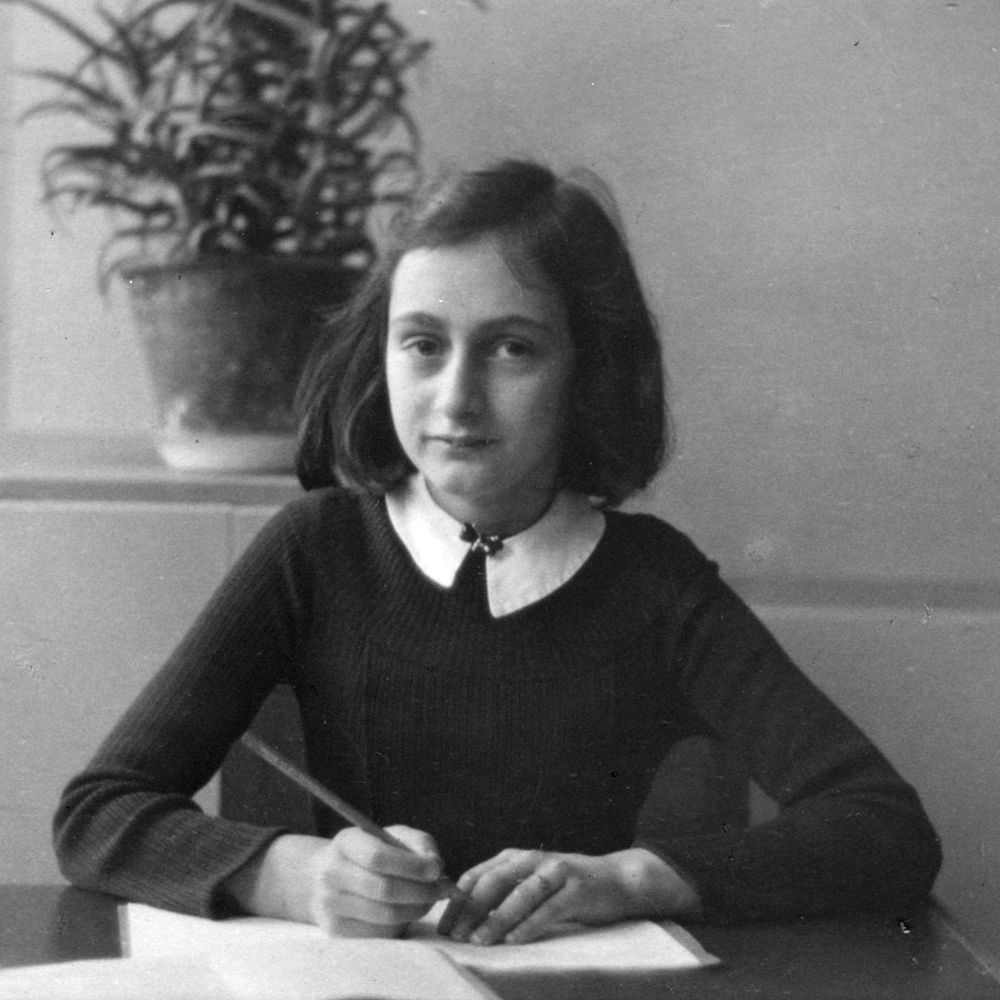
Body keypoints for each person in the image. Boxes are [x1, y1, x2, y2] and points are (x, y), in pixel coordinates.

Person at [54, 159, 941, 946]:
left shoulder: (653, 582)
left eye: (512, 348)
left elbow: (885, 827)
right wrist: (291, 873)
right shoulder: (315, 549)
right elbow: (98, 813)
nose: (457, 397)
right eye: (424, 346)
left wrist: (628, 878)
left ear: (589, 371)